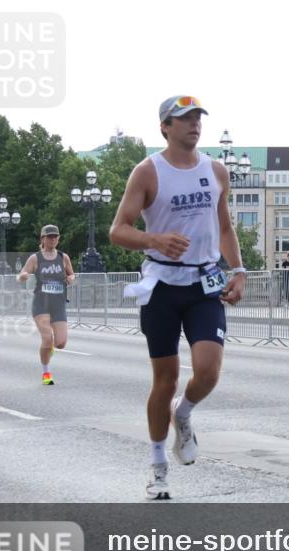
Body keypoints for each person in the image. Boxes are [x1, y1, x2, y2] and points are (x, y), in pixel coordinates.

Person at [109, 95, 247, 500]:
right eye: (183, 119)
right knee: (164, 380)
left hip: (204, 283)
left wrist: (238, 271)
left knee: (208, 371)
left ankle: (183, 416)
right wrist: (153, 239)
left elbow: (224, 228)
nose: (193, 124)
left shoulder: (215, 170)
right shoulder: (148, 172)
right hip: (162, 288)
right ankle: (157, 467)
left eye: (197, 118)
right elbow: (119, 230)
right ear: (165, 127)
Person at [16, 225, 75, 385]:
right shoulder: (35, 258)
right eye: (49, 237)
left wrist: (71, 279)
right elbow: (20, 275)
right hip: (41, 303)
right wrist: (23, 276)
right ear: (42, 239)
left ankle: (51, 349)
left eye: (55, 236)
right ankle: (46, 372)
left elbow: (71, 274)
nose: (53, 239)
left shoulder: (63, 257)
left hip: (58, 303)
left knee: (61, 343)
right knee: (47, 338)